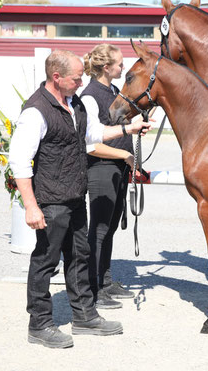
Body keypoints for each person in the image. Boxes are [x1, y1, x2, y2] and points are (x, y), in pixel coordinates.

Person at [9, 49, 151, 349]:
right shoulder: (36, 111)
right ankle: (40, 324)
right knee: (45, 261)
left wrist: (129, 127)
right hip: (50, 198)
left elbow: (93, 135)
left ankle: (84, 315)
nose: (81, 81)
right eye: (76, 78)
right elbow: (19, 160)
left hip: (75, 196)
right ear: (57, 77)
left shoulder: (74, 104)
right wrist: (31, 206)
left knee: (80, 256)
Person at [81, 44, 135, 309]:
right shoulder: (90, 96)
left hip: (118, 169)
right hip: (102, 168)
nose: (123, 67)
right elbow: (91, 143)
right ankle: (94, 287)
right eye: (119, 63)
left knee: (110, 228)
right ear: (106, 67)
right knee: (99, 229)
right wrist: (124, 150)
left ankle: (106, 280)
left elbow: (121, 125)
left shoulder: (113, 92)